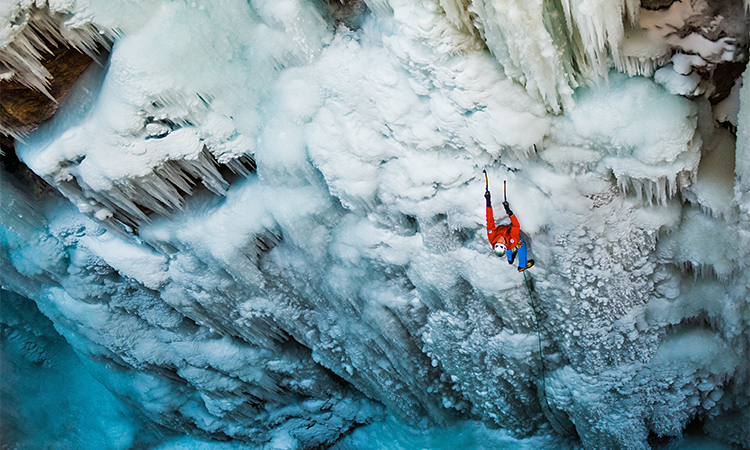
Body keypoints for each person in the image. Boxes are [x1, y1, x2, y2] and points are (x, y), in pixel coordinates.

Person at [485, 188, 534, 272]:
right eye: (502, 244)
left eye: (498, 243)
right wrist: (509, 212)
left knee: (510, 249)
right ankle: (523, 265)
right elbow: (516, 226)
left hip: (505, 233)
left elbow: (489, 220)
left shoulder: (492, 236)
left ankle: (510, 258)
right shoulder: (513, 240)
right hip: (512, 239)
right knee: (521, 246)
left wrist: (488, 202)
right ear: (505, 245)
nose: (500, 241)